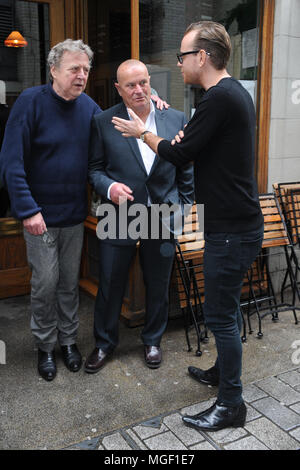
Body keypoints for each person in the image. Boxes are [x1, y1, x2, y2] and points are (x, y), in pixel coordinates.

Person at [112, 22, 264, 431]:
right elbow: (191, 147)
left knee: (220, 317)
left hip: (232, 230)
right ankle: (222, 373)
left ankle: (231, 403)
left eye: (182, 56)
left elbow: (178, 155)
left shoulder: (218, 99)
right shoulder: (229, 96)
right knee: (227, 310)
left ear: (203, 57)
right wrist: (179, 141)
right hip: (234, 225)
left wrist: (143, 132)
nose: (178, 63)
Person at [0, 39, 102, 381]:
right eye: (74, 68)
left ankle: (68, 341)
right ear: (54, 70)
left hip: (74, 215)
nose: (82, 75)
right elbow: (11, 162)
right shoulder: (30, 102)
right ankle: (45, 346)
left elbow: (116, 137)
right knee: (45, 283)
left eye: (86, 69)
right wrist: (27, 210)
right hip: (39, 216)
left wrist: (151, 107)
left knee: (68, 284)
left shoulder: (89, 108)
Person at [84, 59, 194, 373]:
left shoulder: (175, 118)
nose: (138, 90)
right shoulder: (103, 122)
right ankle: (104, 344)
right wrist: (109, 188)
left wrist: (183, 206)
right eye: (130, 85)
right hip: (119, 211)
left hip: (163, 211)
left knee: (158, 282)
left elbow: (185, 165)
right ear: (118, 89)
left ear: (151, 82)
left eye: (143, 82)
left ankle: (153, 340)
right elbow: (94, 169)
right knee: (110, 282)